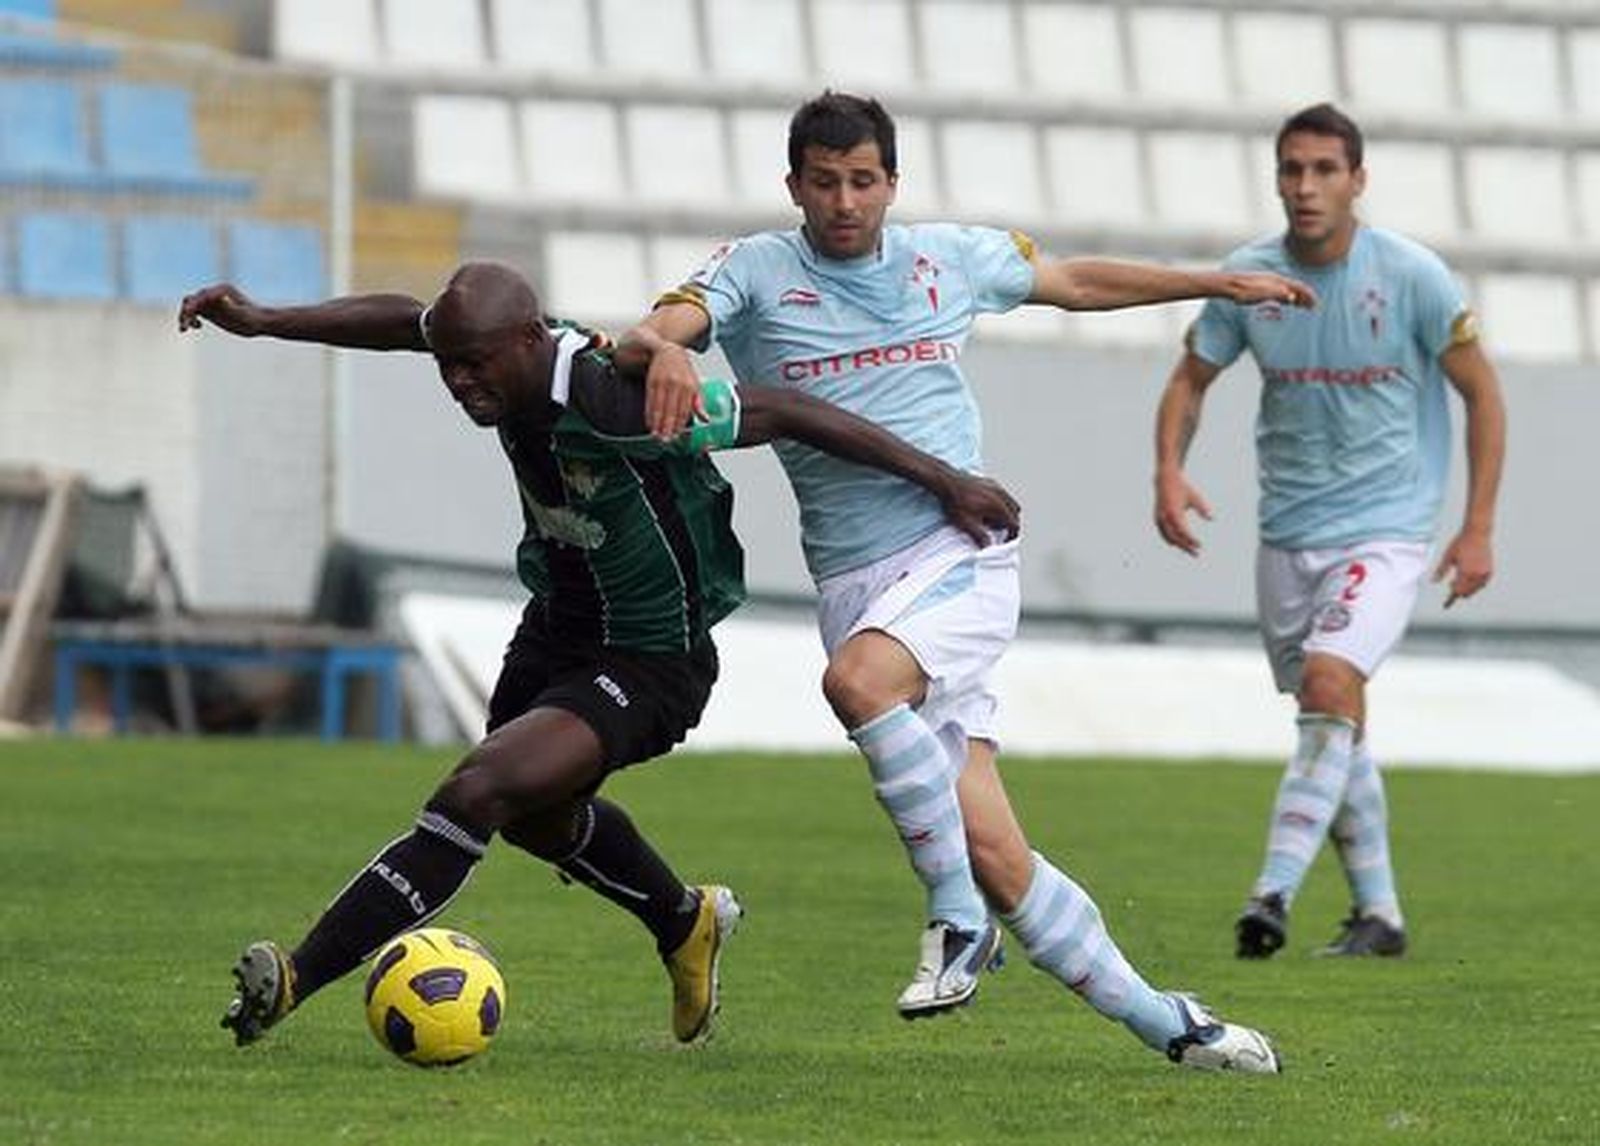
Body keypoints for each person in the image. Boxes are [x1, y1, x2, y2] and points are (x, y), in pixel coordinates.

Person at [619, 91, 1313, 1072]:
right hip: (854, 584)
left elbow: (1072, 280)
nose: (845, 202)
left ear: (891, 183)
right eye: (825, 183)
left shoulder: (949, 256)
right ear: (795, 186)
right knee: (997, 855)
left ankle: (952, 921)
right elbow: (649, 330)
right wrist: (663, 355)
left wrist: (1219, 283)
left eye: (864, 181)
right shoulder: (755, 269)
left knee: (857, 687)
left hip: (962, 548)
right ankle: (1176, 1026)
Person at [177, 260, 1022, 1048]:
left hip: (652, 657)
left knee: (479, 790)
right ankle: (681, 919)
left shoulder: (615, 397)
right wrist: (263, 320)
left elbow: (788, 411)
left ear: (527, 341)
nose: (459, 382)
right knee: (533, 817)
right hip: (556, 627)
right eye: (450, 366)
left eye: (474, 365)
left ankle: (294, 978)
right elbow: (406, 321)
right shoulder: (495, 346)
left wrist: (944, 482)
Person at [1151, 103, 1507, 959]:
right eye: (1291, 170)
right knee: (1335, 716)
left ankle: (1270, 896)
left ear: (1358, 179)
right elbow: (1190, 379)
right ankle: (1380, 916)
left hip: (1387, 529)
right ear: (1277, 177)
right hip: (1287, 533)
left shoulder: (1412, 276)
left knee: (1326, 686)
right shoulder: (1251, 278)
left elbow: (1482, 394)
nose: (1306, 187)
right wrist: (1168, 468)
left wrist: (1477, 528)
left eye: (1324, 170)